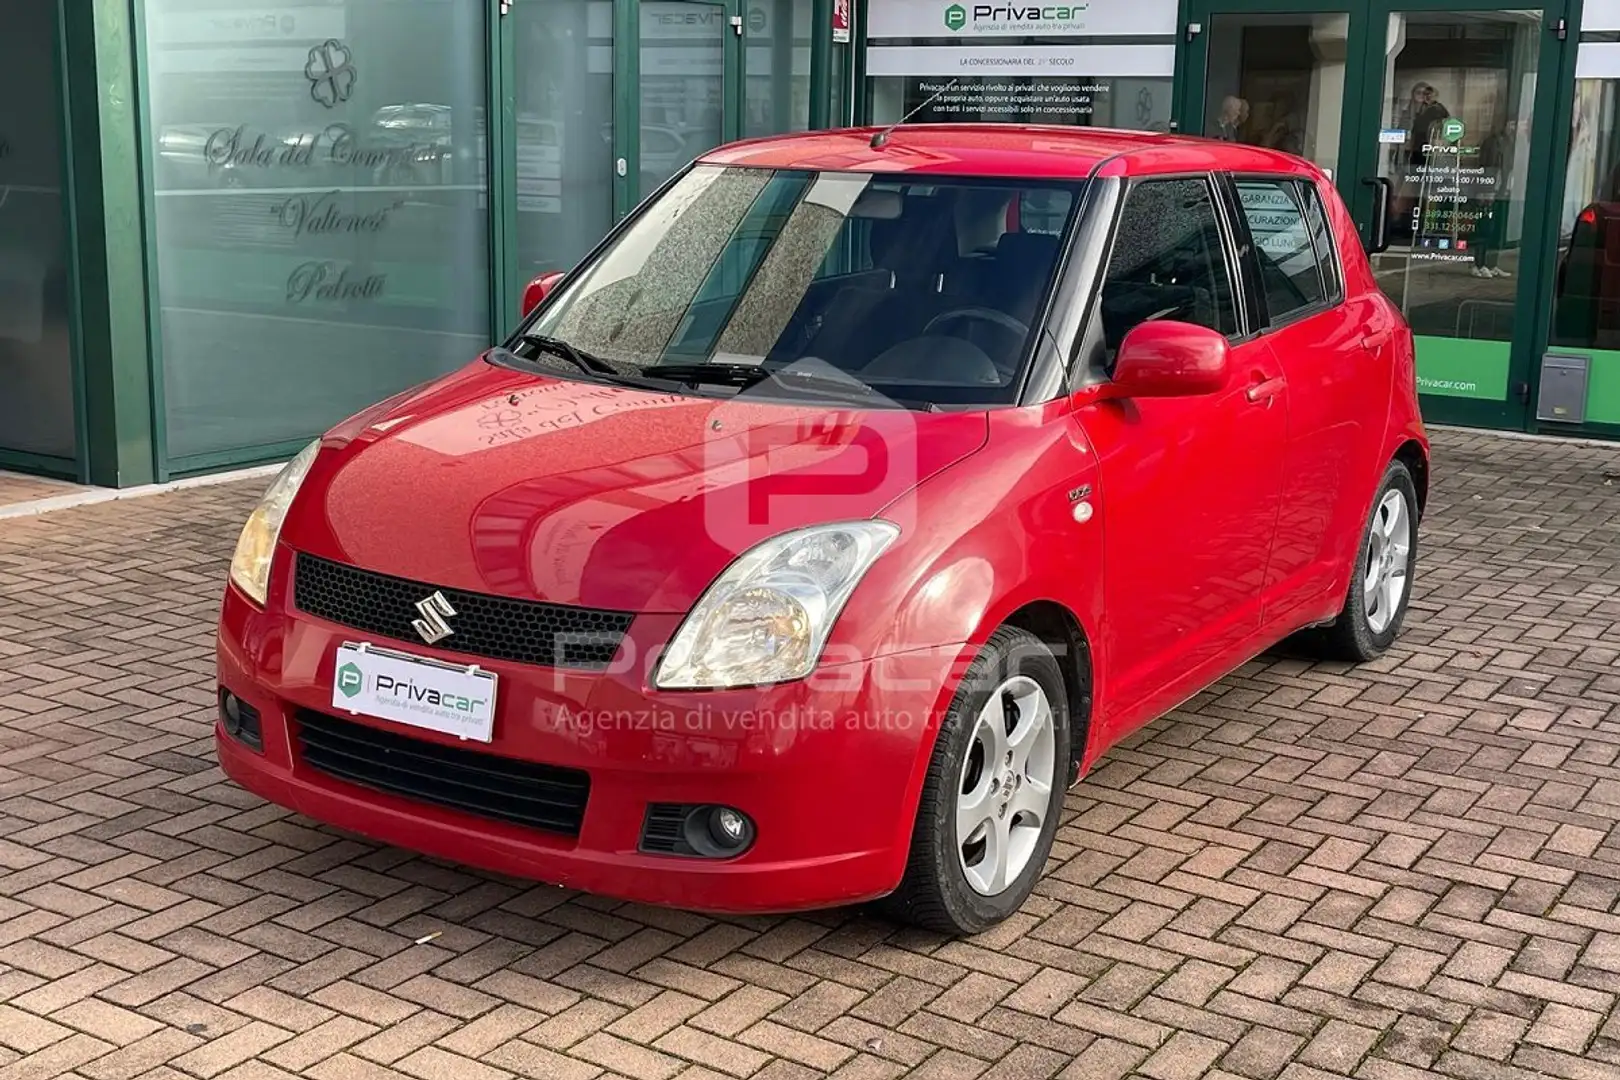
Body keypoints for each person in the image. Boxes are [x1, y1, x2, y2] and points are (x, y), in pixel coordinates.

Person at [1473, 119, 1516, 279]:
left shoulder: (1509, 142)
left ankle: (1491, 264)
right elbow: (1488, 167)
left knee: (1496, 229)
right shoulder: (1493, 142)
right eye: (1511, 124)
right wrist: (1487, 190)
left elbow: (1507, 167)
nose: (1514, 127)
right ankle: (1479, 264)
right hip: (1491, 189)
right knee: (1485, 228)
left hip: (1500, 190)